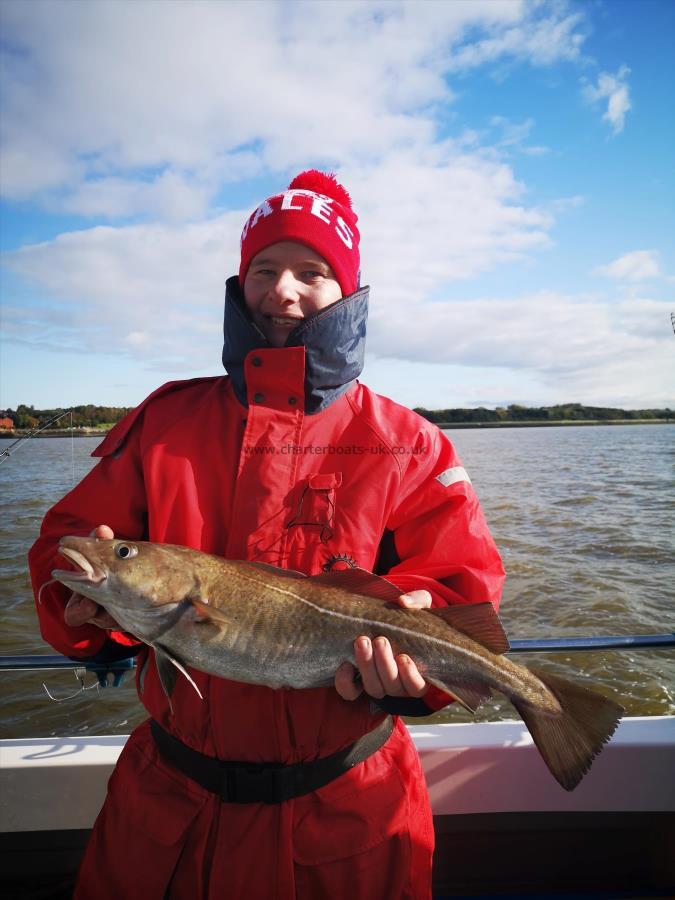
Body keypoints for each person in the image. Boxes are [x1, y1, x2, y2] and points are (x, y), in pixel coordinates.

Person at [29, 170, 505, 899]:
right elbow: (63, 544)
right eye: (264, 270)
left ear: (346, 290)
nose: (283, 291)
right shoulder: (163, 422)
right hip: (168, 813)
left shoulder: (410, 442)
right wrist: (94, 613)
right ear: (240, 281)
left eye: (311, 273)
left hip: (348, 816)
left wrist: (413, 646)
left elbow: (460, 585)